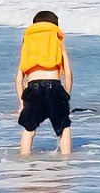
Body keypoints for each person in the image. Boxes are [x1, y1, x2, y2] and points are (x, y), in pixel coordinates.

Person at [16, 9, 73, 157]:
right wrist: (66, 95)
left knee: (29, 129)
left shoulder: (27, 41)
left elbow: (19, 77)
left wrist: (21, 103)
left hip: (33, 87)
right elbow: (68, 72)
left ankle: (23, 160)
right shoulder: (57, 40)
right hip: (54, 86)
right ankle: (66, 160)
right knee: (63, 127)